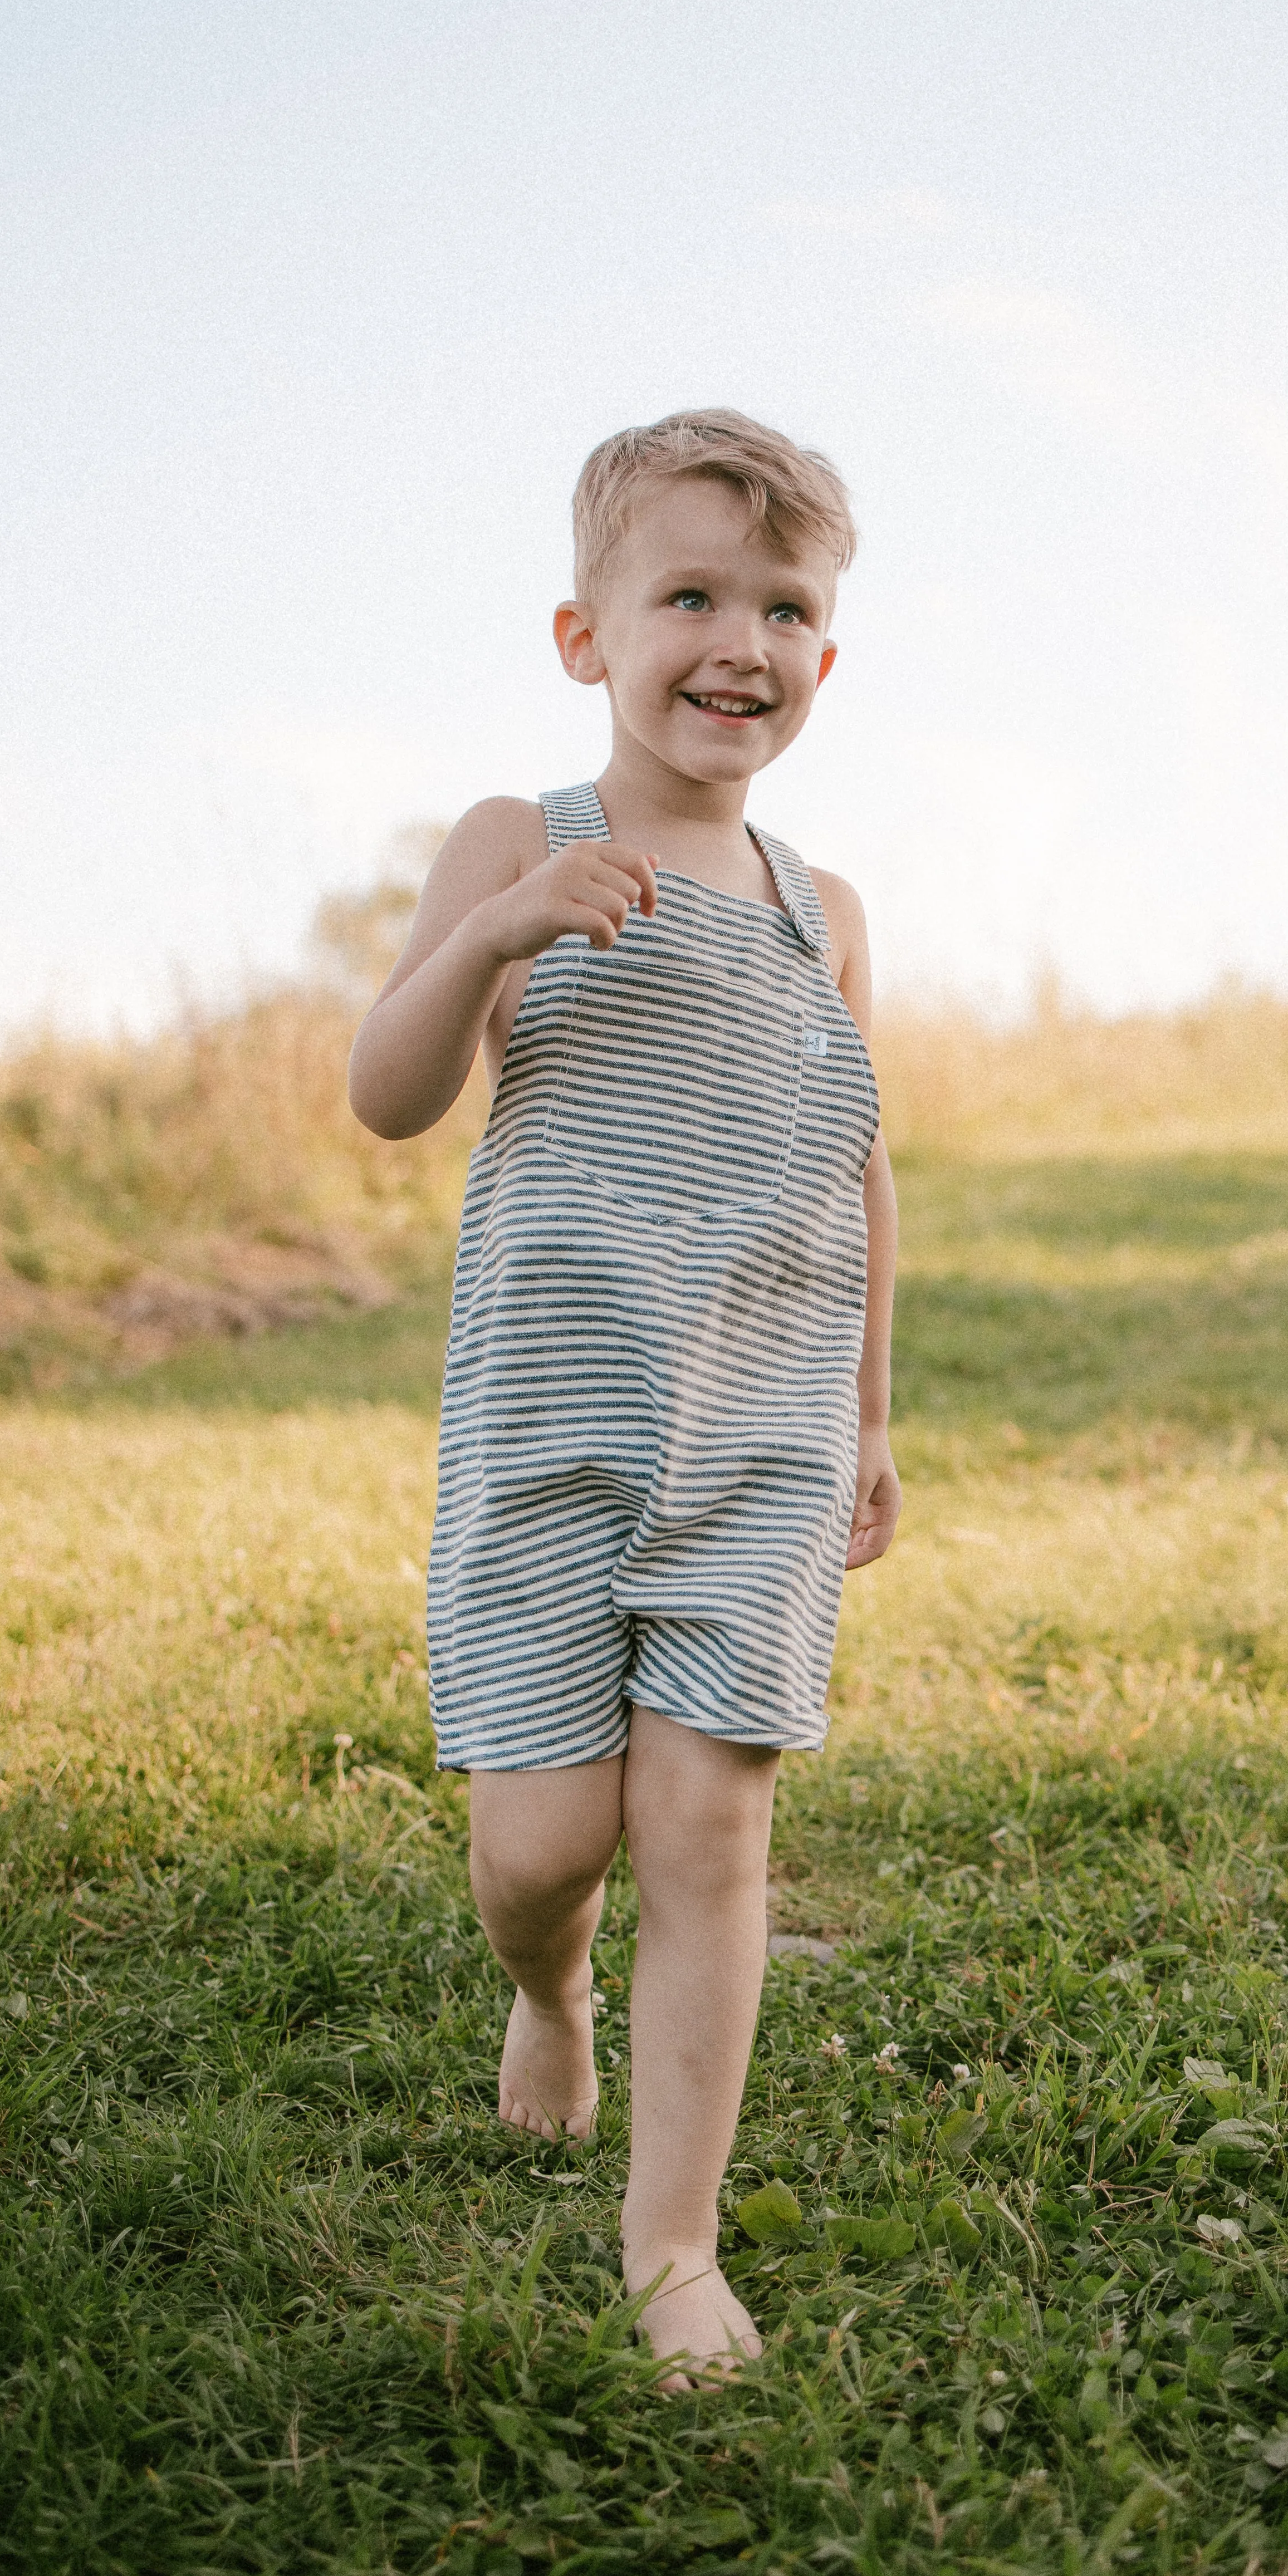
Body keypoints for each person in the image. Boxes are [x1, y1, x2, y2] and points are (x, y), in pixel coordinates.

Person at [347, 410, 900, 2384]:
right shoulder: (524, 840)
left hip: (753, 1441)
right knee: (542, 1843)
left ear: (822, 660)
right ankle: (548, 1991)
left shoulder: (813, 907)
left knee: (711, 1824)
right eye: (688, 594)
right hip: (551, 1432)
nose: (737, 639)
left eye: (784, 606)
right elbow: (387, 1090)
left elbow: (856, 1161)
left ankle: (674, 2241)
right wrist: (495, 933)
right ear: (588, 636)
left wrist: (867, 1409)